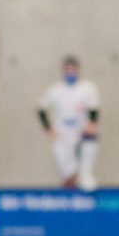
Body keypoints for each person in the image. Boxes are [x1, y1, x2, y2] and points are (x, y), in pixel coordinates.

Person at [37, 55, 100, 191]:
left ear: (78, 70)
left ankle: (85, 178)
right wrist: (48, 129)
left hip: (81, 134)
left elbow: (94, 109)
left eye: (73, 70)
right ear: (63, 71)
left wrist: (91, 125)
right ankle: (70, 186)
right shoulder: (55, 90)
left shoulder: (87, 88)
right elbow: (41, 108)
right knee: (67, 171)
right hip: (62, 134)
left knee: (85, 172)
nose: (70, 73)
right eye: (67, 70)